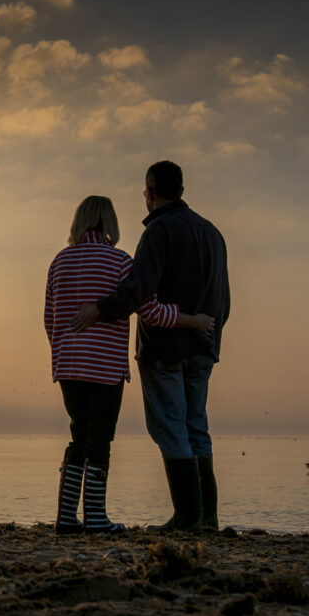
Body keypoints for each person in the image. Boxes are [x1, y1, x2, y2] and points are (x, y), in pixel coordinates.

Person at [70, 161, 229, 534]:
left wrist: (99, 310)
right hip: (203, 346)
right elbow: (223, 298)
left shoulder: (159, 231)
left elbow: (139, 292)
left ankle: (188, 518)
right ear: (182, 190)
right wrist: (211, 335)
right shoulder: (212, 232)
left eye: (145, 191)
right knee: (196, 427)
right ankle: (206, 517)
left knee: (171, 427)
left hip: (164, 349)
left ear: (151, 192)